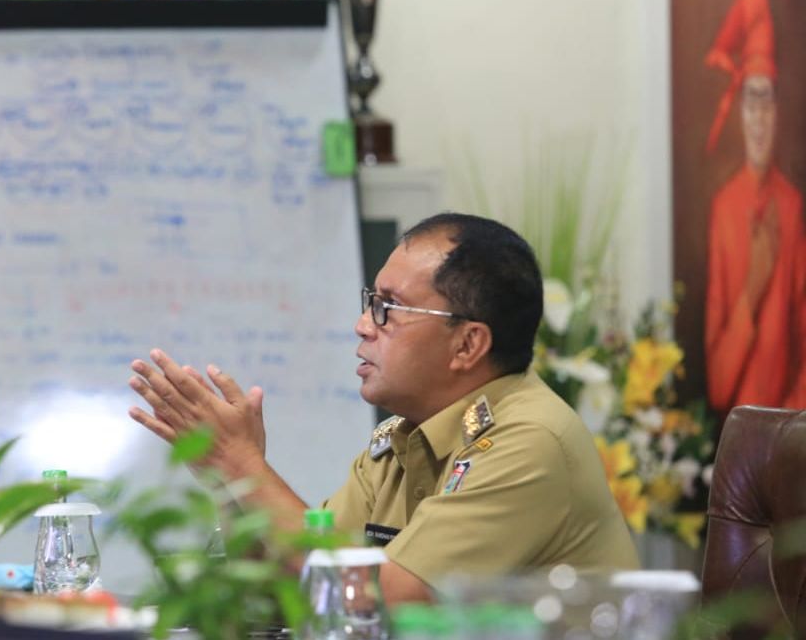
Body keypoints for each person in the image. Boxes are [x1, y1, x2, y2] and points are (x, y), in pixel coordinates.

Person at [128, 213, 638, 604]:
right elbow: (290, 583)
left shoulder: (528, 441)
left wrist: (245, 464)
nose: (363, 325)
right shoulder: (399, 439)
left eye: (388, 309)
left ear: (467, 346)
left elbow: (384, 602)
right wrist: (230, 481)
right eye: (371, 301)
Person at [703, 0, 806, 413]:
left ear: (779, 113)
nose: (760, 118)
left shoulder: (792, 205)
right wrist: (754, 288)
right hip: (740, 433)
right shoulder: (724, 207)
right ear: (739, 113)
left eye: (768, 102)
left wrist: (790, 429)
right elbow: (719, 384)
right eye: (751, 102)